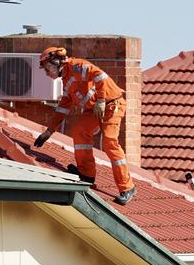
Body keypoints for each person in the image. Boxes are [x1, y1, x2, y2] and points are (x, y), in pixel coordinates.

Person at [33, 46, 137, 205]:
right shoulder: (66, 80)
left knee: (110, 143)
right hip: (94, 109)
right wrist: (49, 131)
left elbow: (100, 76)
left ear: (56, 61)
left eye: (47, 69)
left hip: (111, 105)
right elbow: (63, 107)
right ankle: (87, 175)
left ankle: (127, 187)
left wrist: (101, 100)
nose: (47, 73)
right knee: (79, 131)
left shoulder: (76, 66)